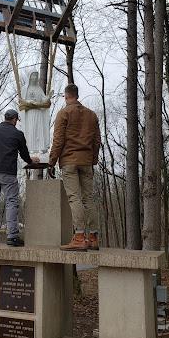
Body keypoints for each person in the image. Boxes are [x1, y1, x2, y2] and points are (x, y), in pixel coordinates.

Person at [48, 84, 101, 251]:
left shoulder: (63, 113)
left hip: (70, 161)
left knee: (74, 198)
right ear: (77, 95)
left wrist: (51, 161)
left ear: (66, 96)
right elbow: (97, 141)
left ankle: (79, 237)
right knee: (88, 199)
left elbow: (58, 141)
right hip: (86, 161)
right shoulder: (92, 115)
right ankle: (93, 237)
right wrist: (92, 160)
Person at [0, 109, 39, 247]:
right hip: (8, 173)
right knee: (11, 202)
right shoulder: (17, 134)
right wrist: (32, 161)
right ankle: (12, 237)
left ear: (5, 118)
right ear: (14, 119)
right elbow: (24, 155)